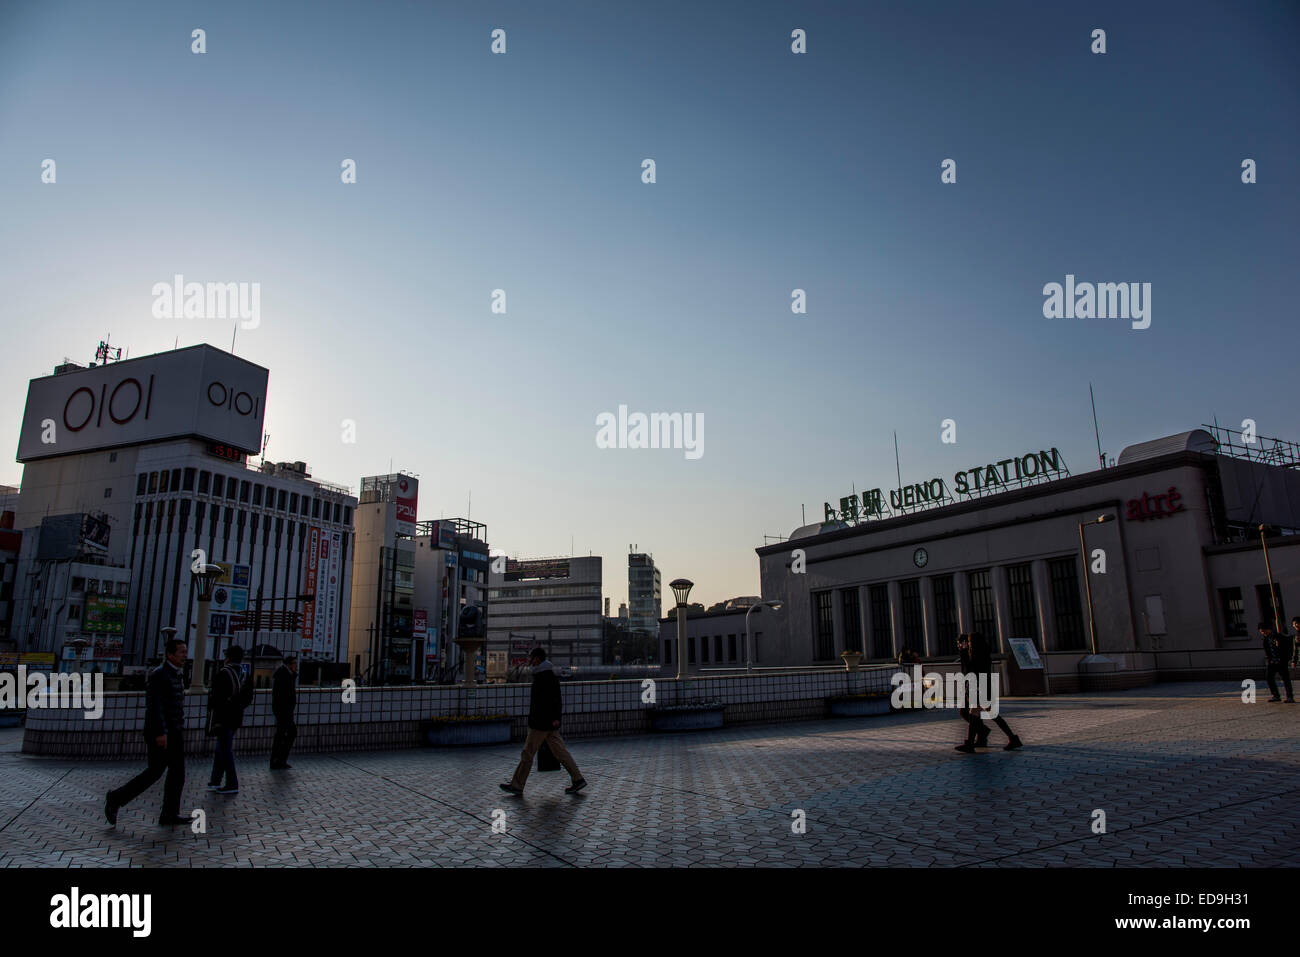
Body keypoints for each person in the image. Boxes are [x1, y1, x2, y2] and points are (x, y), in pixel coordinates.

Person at [105, 638, 189, 827]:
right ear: (169, 654)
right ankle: (116, 798)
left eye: (185, 651)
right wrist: (161, 732)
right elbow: (155, 706)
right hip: (162, 734)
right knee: (154, 773)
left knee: (177, 774)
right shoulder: (159, 675)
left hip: (175, 732)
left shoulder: (176, 674)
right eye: (181, 652)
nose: (185, 655)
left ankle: (169, 814)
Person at [500, 647, 586, 795]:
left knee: (527, 753)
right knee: (561, 753)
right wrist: (556, 719)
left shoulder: (543, 677)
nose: (529, 661)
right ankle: (578, 779)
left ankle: (517, 785)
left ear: (537, 659)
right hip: (548, 723)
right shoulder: (547, 675)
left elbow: (549, 701)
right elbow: (556, 700)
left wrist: (551, 718)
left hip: (540, 723)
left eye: (531, 658)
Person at [955, 631, 1022, 752]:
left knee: (975, 714)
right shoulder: (984, 653)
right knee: (986, 715)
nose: (968, 644)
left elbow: (968, 670)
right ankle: (1012, 739)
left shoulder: (977, 655)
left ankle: (971, 744)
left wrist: (963, 652)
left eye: (969, 642)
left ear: (974, 643)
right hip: (984, 686)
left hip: (980, 687)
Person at [206, 645, 255, 794]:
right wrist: (237, 705)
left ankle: (232, 783)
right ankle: (215, 780)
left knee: (225, 749)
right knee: (221, 747)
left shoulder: (224, 673)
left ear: (227, 657)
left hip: (223, 717)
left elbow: (215, 698)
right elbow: (248, 698)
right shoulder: (245, 674)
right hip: (237, 716)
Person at [270, 654, 298, 769]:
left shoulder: (285, 674)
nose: (296, 666)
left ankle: (278, 760)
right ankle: (279, 759)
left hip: (283, 711)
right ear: (289, 664)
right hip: (284, 711)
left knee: (281, 735)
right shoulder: (284, 675)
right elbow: (283, 695)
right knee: (289, 733)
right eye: (295, 663)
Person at [1260, 621, 1294, 703]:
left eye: (1263, 631)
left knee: (1285, 679)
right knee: (1269, 677)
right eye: (1261, 632)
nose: (1262, 633)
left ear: (1269, 629)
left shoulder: (1279, 637)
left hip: (1281, 662)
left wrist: (1285, 658)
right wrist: (1269, 659)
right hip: (1272, 662)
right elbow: (1267, 651)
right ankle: (1275, 695)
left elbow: (1287, 648)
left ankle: (1290, 697)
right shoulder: (1265, 639)